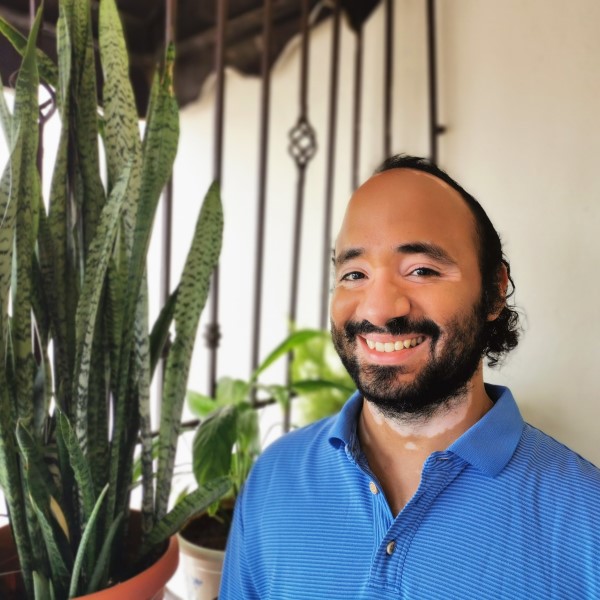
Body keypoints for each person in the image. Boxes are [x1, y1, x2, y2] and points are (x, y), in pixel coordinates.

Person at [219, 155, 600, 599]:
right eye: (354, 274)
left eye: (422, 270)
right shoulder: (273, 480)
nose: (379, 308)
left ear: (495, 290)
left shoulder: (587, 518)